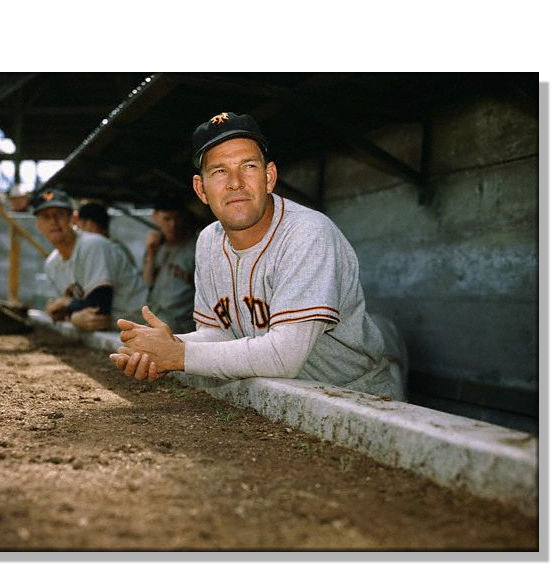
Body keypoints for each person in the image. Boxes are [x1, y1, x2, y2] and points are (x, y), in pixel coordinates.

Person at [110, 112, 406, 401]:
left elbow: (283, 356)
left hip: (359, 400)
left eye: (248, 166)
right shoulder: (208, 241)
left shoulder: (307, 233)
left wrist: (178, 355)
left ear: (269, 177)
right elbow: (219, 335)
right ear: (201, 189)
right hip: (282, 403)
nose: (235, 182)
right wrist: (161, 346)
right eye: (219, 171)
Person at [32, 188, 148, 332]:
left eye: (59, 215)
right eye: (46, 217)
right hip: (116, 333)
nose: (53, 222)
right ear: (38, 225)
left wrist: (68, 306)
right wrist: (67, 310)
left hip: (143, 325)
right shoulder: (51, 263)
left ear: (73, 219)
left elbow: (99, 311)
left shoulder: (93, 245)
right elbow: (59, 312)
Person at [142, 197, 198, 334]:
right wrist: (151, 255)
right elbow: (147, 283)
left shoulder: (196, 247)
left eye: (177, 219)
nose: (173, 225)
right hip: (156, 319)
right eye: (167, 219)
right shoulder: (157, 246)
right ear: (155, 217)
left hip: (183, 326)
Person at [76, 200, 137, 266]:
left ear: (90, 224)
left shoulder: (109, 248)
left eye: (81, 226)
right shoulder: (115, 246)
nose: (81, 232)